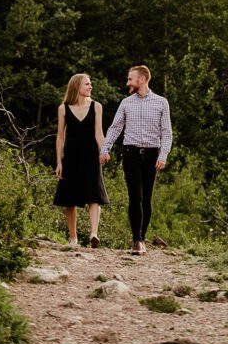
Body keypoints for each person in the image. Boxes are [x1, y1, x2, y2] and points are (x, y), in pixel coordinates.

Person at [100, 64, 172, 255]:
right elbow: (115, 128)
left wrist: (163, 155)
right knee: (135, 197)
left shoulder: (161, 102)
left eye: (131, 79)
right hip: (130, 153)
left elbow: (167, 132)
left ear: (142, 79)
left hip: (151, 154)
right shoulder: (126, 103)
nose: (128, 82)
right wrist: (105, 149)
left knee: (146, 198)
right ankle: (137, 240)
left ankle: (143, 236)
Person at [54, 72, 109, 247]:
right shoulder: (63, 108)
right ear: (77, 86)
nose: (91, 86)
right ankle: (73, 238)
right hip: (71, 156)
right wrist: (59, 162)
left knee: (95, 195)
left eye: (90, 83)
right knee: (70, 198)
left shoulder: (96, 106)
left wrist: (105, 150)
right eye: (87, 84)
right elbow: (60, 136)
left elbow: (99, 134)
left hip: (92, 156)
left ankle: (93, 234)